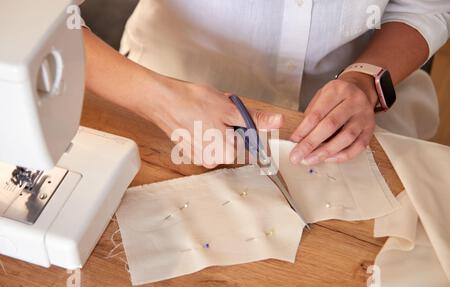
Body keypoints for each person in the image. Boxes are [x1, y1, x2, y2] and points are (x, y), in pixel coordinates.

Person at [81, 0, 450, 167]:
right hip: (159, 103)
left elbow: (424, 5)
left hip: (355, 118)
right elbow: (33, 15)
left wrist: (365, 79)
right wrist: (159, 100)